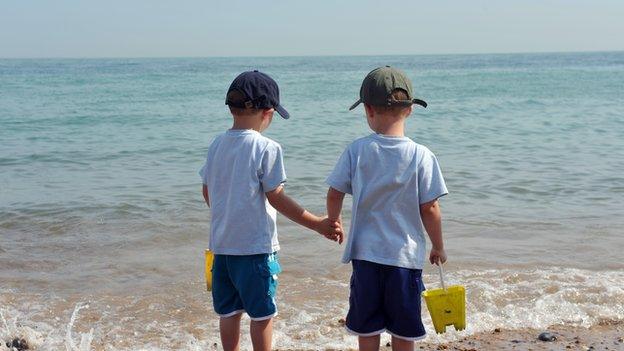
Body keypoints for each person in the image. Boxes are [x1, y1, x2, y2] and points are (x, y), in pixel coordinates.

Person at [200, 70, 342, 351]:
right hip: (255, 250)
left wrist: (227, 211)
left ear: (231, 107)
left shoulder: (217, 144)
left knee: (228, 312)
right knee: (262, 314)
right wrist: (317, 223)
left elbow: (208, 191)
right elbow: (276, 197)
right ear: (267, 112)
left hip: (221, 249)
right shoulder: (266, 147)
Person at [326, 66, 448, 351]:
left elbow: (334, 192)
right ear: (410, 110)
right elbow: (430, 207)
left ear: (368, 110)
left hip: (366, 257)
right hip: (404, 260)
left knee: (366, 325)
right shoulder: (421, 155)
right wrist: (438, 246)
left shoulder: (357, 150)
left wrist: (334, 221)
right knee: (403, 330)